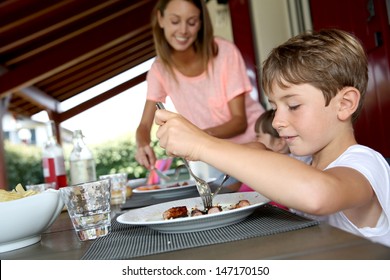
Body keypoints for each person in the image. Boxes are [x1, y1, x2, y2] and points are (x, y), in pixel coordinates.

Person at [154, 29, 390, 246]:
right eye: (275, 107)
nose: (277, 121)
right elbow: (258, 153)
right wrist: (195, 147)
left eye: (294, 105)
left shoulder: (364, 165)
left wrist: (202, 144)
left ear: (345, 104)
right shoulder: (305, 162)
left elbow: (317, 194)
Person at [135, 0, 265, 170]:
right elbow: (144, 125)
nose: (183, 30)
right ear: (160, 19)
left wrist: (196, 137)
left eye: (191, 22)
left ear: (201, 24)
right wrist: (142, 144)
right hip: (214, 159)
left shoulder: (224, 52)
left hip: (255, 148)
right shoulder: (159, 70)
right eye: (175, 21)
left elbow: (239, 122)